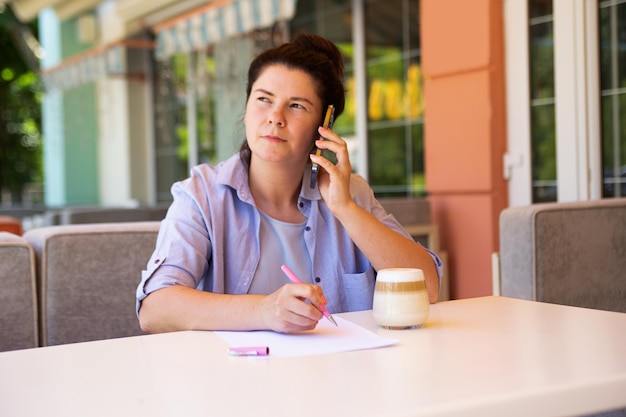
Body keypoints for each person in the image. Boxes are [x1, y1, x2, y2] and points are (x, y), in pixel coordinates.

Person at [136, 33, 442, 334]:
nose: (275, 117)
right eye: (264, 100)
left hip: (341, 376)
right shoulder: (202, 194)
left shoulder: (351, 193)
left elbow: (428, 288)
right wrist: (264, 311)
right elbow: (155, 309)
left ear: (323, 126)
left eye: (296, 106)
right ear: (246, 111)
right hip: (233, 378)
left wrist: (345, 208)